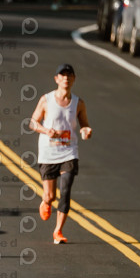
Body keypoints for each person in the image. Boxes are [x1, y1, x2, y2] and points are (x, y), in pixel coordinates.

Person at [29, 63, 92, 244]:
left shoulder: (78, 103)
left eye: (69, 75)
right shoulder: (46, 100)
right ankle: (46, 201)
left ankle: (58, 231)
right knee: (50, 196)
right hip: (48, 152)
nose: (66, 78)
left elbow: (84, 125)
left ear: (74, 79)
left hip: (69, 152)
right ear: (56, 79)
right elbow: (32, 122)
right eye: (62, 75)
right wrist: (46, 130)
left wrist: (86, 131)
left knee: (65, 191)